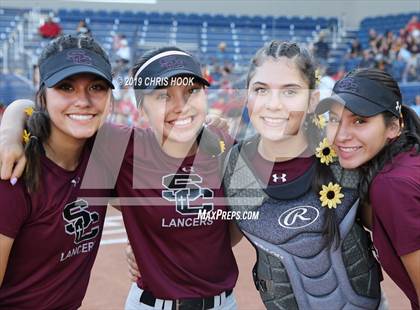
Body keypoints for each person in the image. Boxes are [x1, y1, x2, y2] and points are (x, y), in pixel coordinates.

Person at [0, 46, 239, 310]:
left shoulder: (225, 144)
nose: (180, 106)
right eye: (162, 96)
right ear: (142, 110)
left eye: (191, 91)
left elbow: (232, 228)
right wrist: (10, 128)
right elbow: (45, 110)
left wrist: (159, 247)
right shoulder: (120, 145)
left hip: (223, 303)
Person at [222, 41, 382, 309]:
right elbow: (212, 242)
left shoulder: (345, 153)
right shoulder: (235, 168)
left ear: (312, 101)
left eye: (290, 92)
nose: (273, 105)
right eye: (260, 90)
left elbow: (396, 228)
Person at [0, 34, 114, 308]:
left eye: (96, 87)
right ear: (43, 96)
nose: (83, 101)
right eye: (66, 87)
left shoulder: (107, 153)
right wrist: (10, 130)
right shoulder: (14, 174)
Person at [316, 68, 420, 310]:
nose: (340, 136)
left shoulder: (393, 185)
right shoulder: (407, 160)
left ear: (394, 127)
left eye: (360, 120)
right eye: (334, 119)